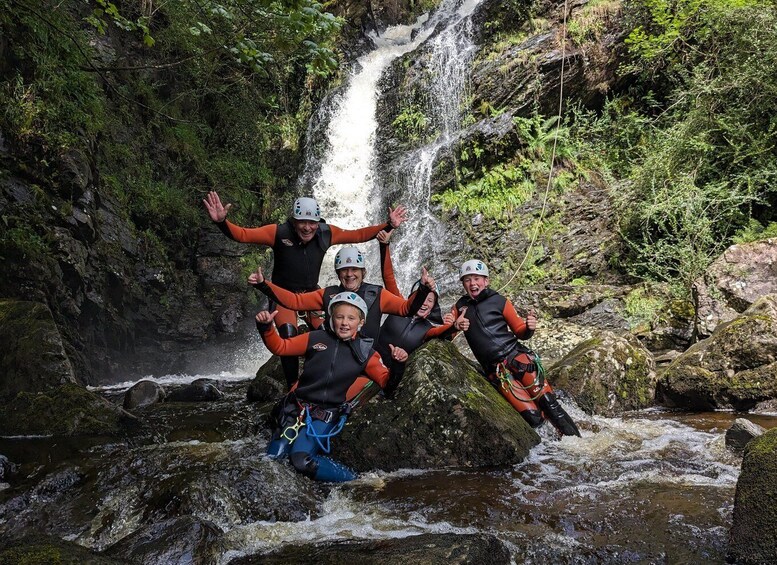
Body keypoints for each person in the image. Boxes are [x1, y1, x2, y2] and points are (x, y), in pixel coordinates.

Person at [204, 190, 407, 387]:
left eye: (312, 222)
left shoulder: (326, 233)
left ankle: (337, 378)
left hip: (311, 293)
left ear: (318, 222)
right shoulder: (279, 232)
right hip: (285, 296)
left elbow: (358, 234)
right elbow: (243, 235)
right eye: (302, 221)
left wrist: (388, 225)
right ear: (294, 221)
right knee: (289, 335)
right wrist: (222, 222)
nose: (308, 227)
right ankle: (292, 385)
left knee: (330, 332)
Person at [256, 292, 404, 482]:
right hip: (296, 408)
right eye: (339, 316)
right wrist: (266, 327)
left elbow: (387, 385)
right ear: (331, 318)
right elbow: (281, 348)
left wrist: (398, 364)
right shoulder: (315, 338)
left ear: (361, 322)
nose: (344, 323)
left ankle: (356, 479)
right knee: (271, 459)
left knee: (301, 461)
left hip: (324, 414)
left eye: (351, 318)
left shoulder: (366, 353)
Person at [445, 260, 580, 437]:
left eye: (477, 278)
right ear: (463, 283)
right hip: (497, 371)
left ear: (486, 281)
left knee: (549, 403)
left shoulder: (499, 301)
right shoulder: (459, 308)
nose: (472, 283)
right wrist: (453, 325)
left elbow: (520, 331)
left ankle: (575, 443)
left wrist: (529, 327)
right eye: (467, 279)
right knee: (532, 416)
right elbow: (446, 337)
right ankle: (554, 450)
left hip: (518, 358)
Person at [248, 246, 434, 343]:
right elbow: (295, 302)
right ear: (338, 274)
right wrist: (264, 285)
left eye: (354, 269)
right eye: (344, 270)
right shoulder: (329, 294)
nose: (350, 274)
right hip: (333, 354)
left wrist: (423, 290)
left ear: (363, 272)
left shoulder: (378, 294)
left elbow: (406, 308)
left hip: (363, 356)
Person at [373, 230, 450, 396]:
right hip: (369, 363)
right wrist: (384, 245)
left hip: (391, 377)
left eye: (430, 301)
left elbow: (441, 332)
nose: (424, 303)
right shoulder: (399, 305)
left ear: (434, 307)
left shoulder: (428, 329)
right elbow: (388, 277)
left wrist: (455, 326)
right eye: (422, 298)